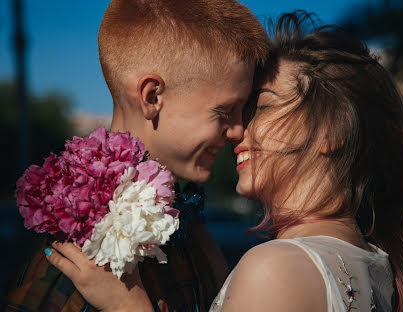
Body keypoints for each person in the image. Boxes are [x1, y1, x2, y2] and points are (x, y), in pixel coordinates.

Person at [44, 11, 403, 312]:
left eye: (262, 107)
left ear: (332, 133)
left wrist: (127, 308)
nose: (239, 131)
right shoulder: (377, 264)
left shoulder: (276, 267)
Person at [3, 1, 267, 311]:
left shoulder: (189, 225)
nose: (238, 130)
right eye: (225, 111)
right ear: (152, 97)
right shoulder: (81, 256)